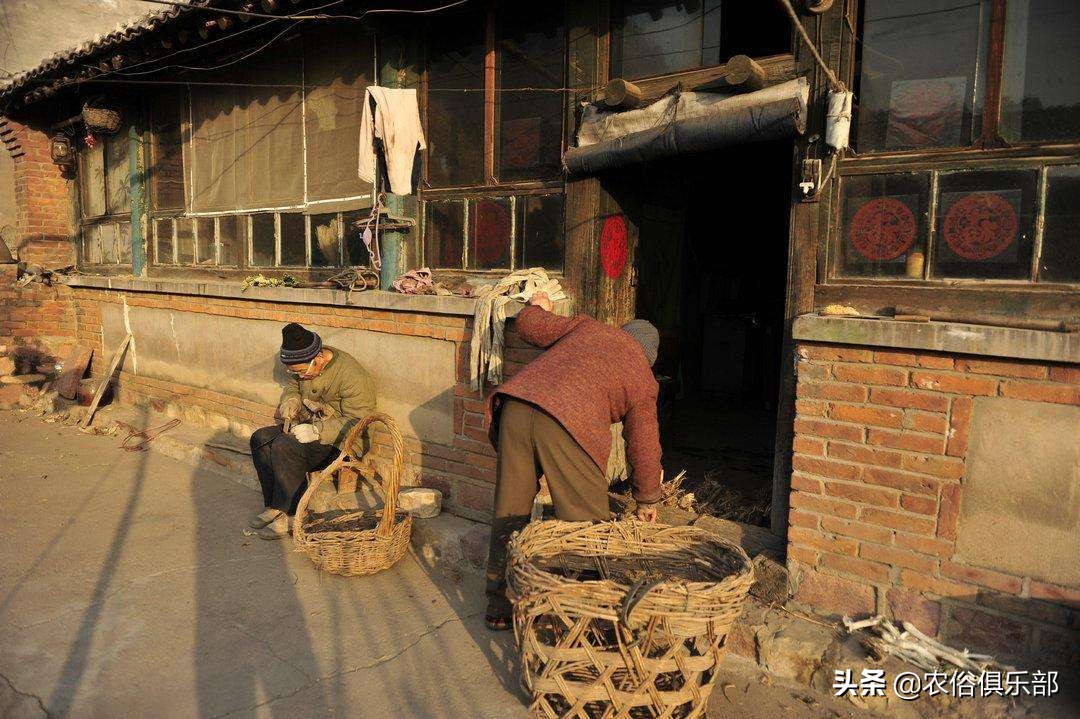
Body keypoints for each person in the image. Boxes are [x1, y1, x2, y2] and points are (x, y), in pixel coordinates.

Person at [483, 292, 662, 629]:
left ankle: (499, 607)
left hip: (516, 409)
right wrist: (647, 498)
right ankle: (585, 618)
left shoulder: (587, 327)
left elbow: (529, 324)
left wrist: (538, 305)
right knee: (587, 529)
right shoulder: (641, 373)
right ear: (649, 355)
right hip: (566, 424)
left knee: (511, 512)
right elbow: (643, 445)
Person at [248, 323, 377, 540]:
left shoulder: (351, 374)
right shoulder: (304, 366)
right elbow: (293, 385)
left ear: (317, 359)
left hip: (341, 440)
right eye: (292, 370)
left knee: (284, 446)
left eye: (299, 371)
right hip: (309, 427)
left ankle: (295, 515)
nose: (297, 375)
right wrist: (291, 399)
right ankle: (275, 505)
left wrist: (318, 431)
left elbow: (359, 421)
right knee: (260, 438)